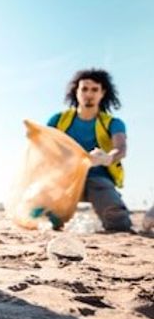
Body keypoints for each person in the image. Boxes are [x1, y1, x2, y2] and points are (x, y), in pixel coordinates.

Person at [47, 69, 132, 232]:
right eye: (84, 89)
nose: (89, 94)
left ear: (103, 93)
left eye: (94, 89)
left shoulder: (112, 122)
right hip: (64, 179)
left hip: (97, 178)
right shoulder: (57, 120)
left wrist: (108, 157)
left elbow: (121, 148)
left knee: (119, 222)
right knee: (46, 220)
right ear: (76, 92)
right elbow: (44, 146)